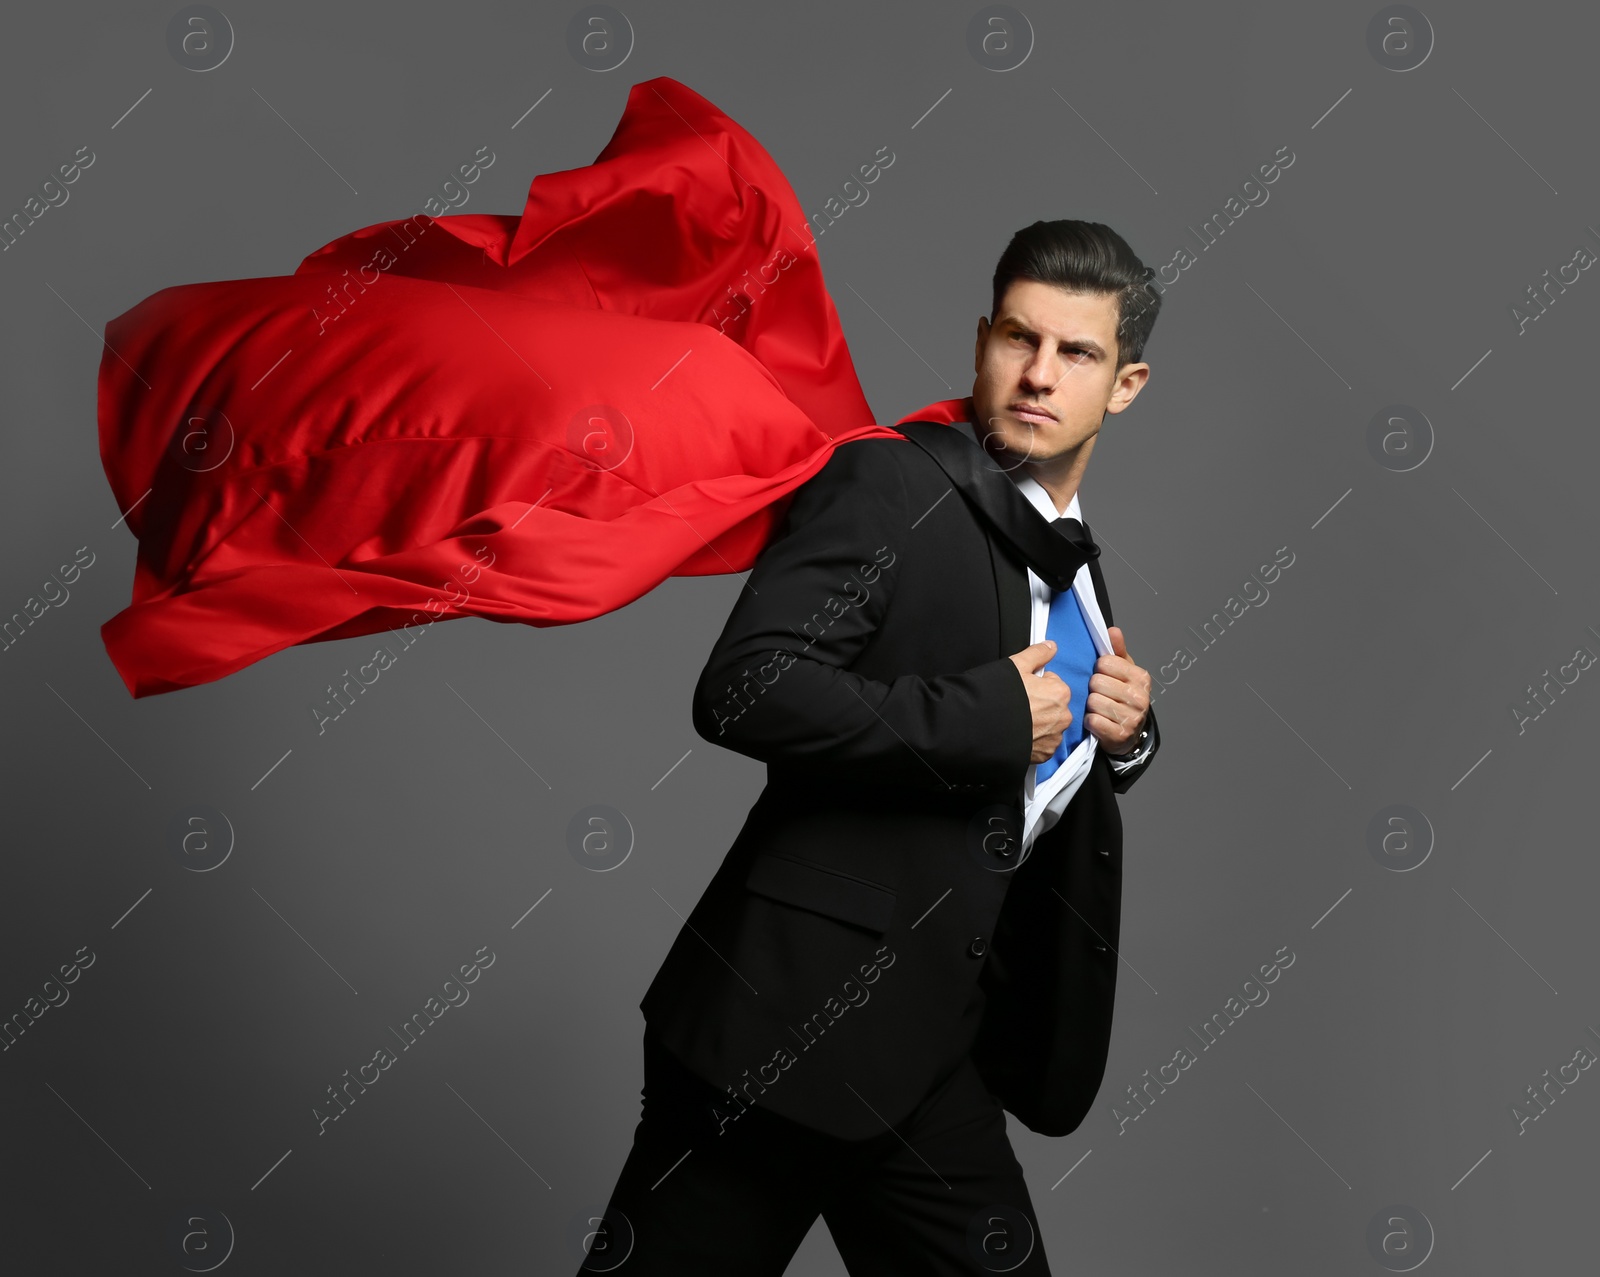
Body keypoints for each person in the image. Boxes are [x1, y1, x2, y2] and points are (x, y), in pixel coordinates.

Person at [581, 220, 1163, 1275]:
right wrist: (979, 718)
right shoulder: (891, 485)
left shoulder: (1068, 560)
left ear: (1123, 386)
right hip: (776, 1030)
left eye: (1075, 353)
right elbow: (744, 687)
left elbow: (1039, 770)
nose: (1036, 375)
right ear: (980, 337)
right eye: (1017, 339)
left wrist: (1125, 738)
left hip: (929, 1051)